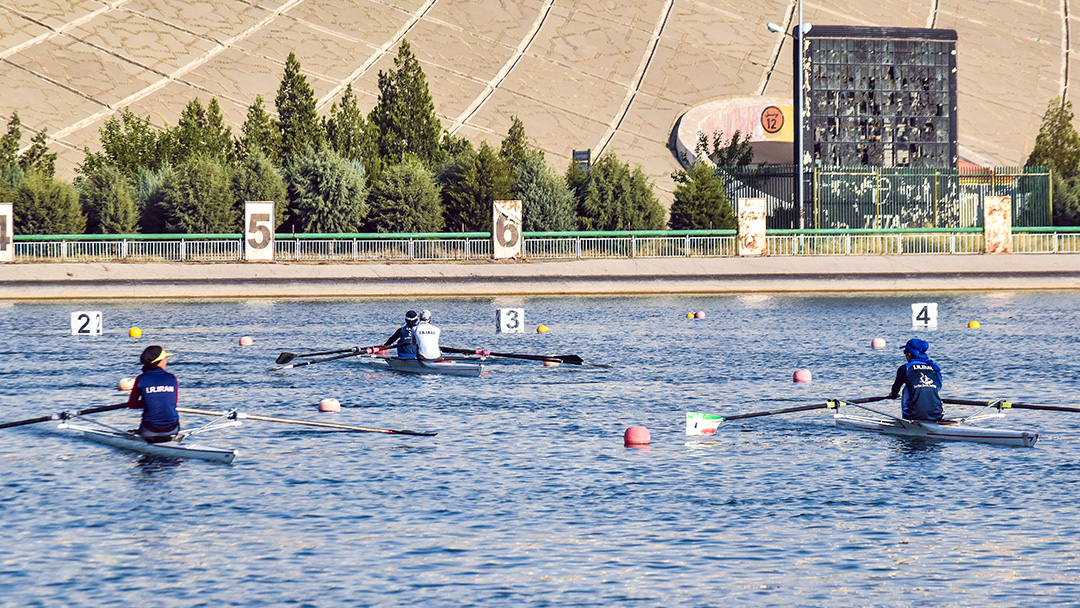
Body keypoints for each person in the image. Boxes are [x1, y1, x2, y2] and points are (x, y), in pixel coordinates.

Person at [127, 345, 180, 443]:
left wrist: (149, 401)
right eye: (165, 358)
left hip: (149, 430)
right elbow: (174, 402)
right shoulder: (172, 378)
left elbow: (132, 404)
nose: (166, 361)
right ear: (159, 361)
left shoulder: (141, 379)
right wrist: (154, 400)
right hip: (172, 429)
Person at [888, 338, 943, 421]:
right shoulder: (934, 368)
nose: (905, 355)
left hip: (913, 416)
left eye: (905, 352)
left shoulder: (905, 368)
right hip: (937, 415)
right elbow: (937, 388)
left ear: (909, 354)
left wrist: (893, 395)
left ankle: (909, 417)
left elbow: (895, 388)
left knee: (907, 389)